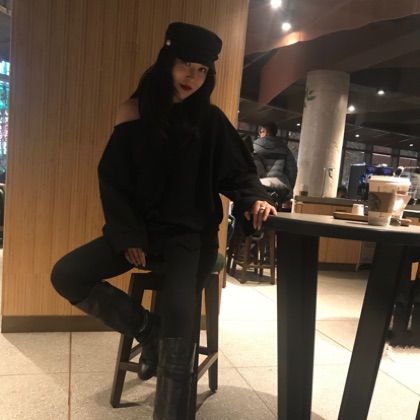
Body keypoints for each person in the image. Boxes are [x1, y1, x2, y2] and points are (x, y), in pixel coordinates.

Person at [50, 22, 276, 419]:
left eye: (202, 70)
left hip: (192, 237)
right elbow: (114, 181)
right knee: (67, 274)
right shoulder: (133, 112)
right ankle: (146, 329)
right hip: (141, 234)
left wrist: (254, 199)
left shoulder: (209, 120)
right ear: (167, 61)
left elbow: (239, 173)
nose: (193, 76)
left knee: (180, 323)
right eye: (185, 64)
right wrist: (126, 235)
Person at [253, 121, 297, 204]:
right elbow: (292, 171)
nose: (260, 134)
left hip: (259, 189)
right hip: (278, 190)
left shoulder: (254, 147)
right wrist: (288, 188)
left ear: (265, 132)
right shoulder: (285, 149)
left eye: (261, 131)